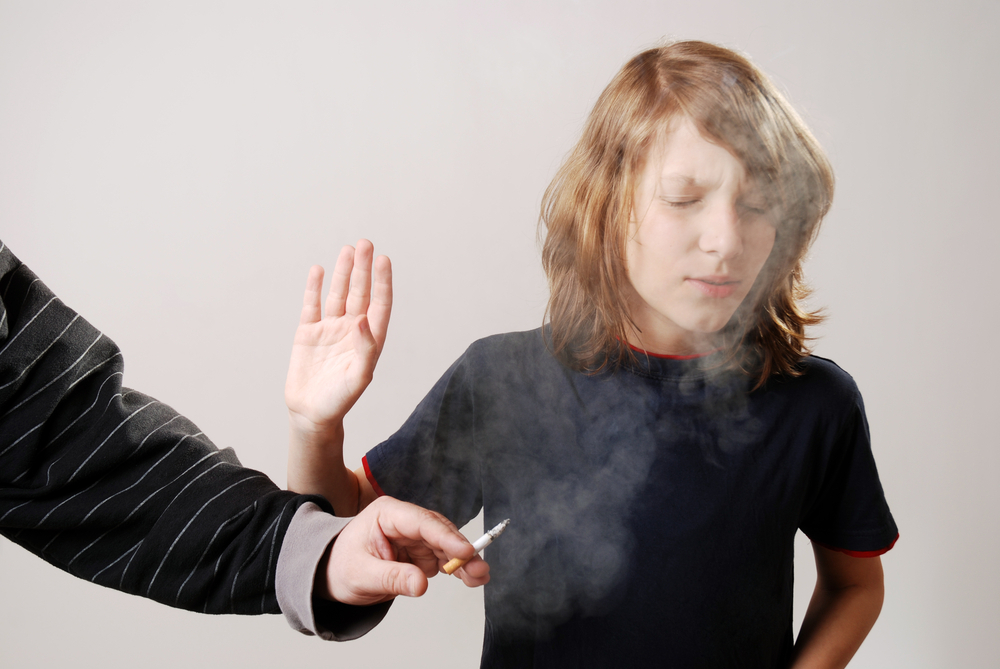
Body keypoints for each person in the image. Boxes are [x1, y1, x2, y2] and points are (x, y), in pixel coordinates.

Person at [284, 41, 898, 667]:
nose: (726, 240)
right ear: (606, 206)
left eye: (759, 204)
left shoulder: (815, 403)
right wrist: (317, 427)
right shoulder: (502, 381)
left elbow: (855, 586)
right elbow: (339, 534)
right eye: (684, 200)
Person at [0, 239, 487, 642]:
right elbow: (357, 520)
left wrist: (312, 546)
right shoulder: (496, 379)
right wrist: (314, 430)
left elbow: (57, 429)